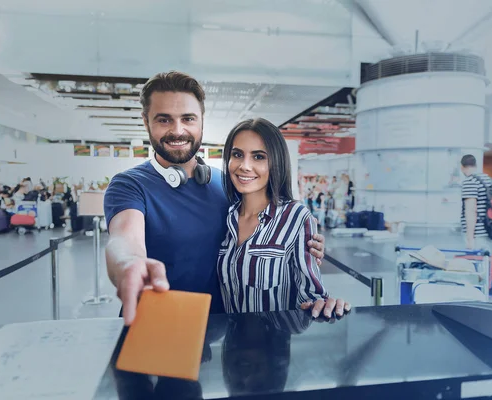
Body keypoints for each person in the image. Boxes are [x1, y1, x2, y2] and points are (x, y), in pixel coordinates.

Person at [103, 71, 326, 326]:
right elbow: (124, 238)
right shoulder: (130, 185)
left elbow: (265, 230)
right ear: (146, 122)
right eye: (164, 119)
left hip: (219, 332)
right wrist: (128, 263)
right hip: (155, 329)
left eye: (188, 118)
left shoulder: (227, 185)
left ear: (201, 121)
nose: (178, 130)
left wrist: (302, 245)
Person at [218, 118, 350, 318]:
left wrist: (325, 305)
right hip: (230, 345)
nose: (245, 166)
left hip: (273, 345)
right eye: (237, 154)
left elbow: (311, 295)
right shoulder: (226, 217)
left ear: (276, 162)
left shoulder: (296, 217)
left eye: (259, 157)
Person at [460, 154, 492, 250]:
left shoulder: (470, 181)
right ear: (475, 166)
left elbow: (471, 211)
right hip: (490, 230)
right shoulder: (489, 180)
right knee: (487, 263)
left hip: (477, 234)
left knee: (474, 263)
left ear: (462, 167)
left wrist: (470, 238)